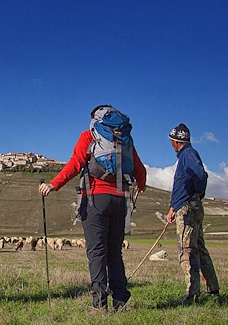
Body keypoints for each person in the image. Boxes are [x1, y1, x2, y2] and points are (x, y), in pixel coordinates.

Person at [39, 105, 147, 312]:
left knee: (97, 252)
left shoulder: (90, 135)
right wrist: (140, 186)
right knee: (115, 252)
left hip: (96, 199)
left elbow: (76, 163)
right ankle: (120, 301)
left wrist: (54, 184)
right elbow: (139, 168)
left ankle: (100, 304)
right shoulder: (124, 140)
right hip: (120, 201)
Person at [165, 123, 220, 303]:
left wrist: (197, 193)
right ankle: (212, 288)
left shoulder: (188, 154)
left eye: (171, 141)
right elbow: (183, 184)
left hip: (187, 207)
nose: (171, 144)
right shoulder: (186, 155)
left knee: (187, 249)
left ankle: (192, 293)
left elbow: (200, 175)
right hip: (186, 205)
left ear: (176, 141)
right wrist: (173, 207)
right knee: (199, 248)